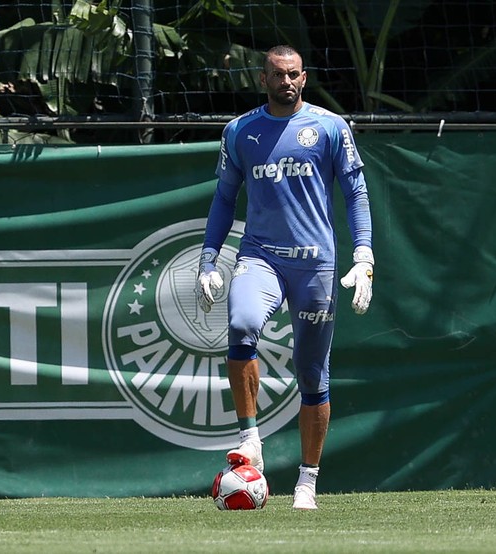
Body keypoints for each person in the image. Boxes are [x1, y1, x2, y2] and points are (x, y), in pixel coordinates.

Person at [195, 45, 374, 510]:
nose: (287, 82)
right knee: (242, 323)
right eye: (278, 75)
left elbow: (355, 191)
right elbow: (223, 198)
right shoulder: (240, 131)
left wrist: (364, 254)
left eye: (294, 74)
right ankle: (250, 439)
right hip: (260, 258)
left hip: (316, 265)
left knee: (312, 375)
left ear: (305, 77)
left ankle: (307, 482)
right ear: (263, 79)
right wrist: (209, 259)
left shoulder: (332, 127)